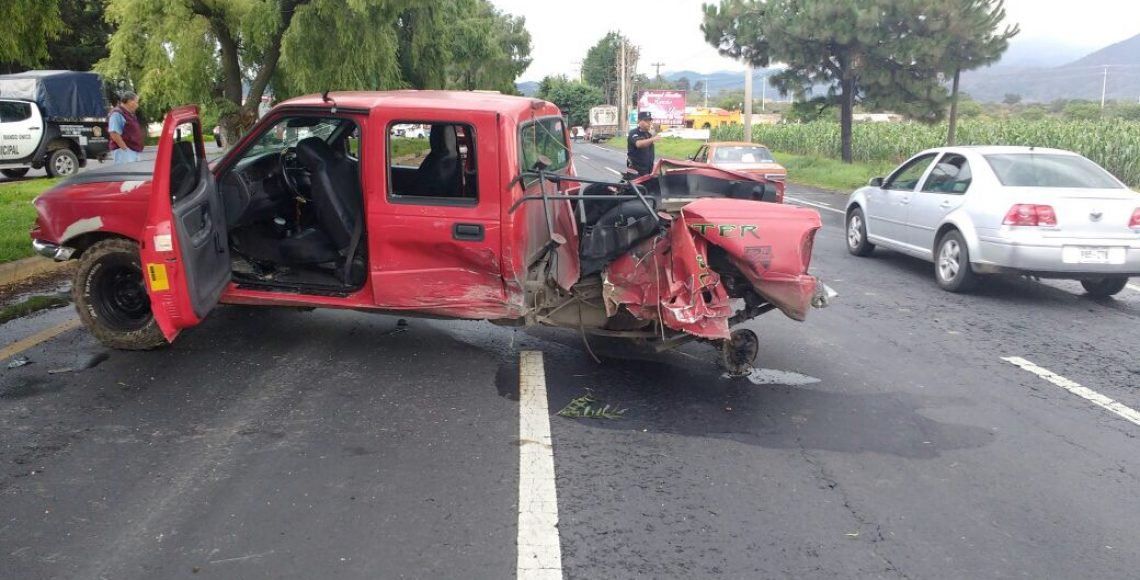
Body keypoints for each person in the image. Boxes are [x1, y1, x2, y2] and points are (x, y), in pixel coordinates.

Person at [108, 92, 144, 164]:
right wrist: (125, 149)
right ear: (130, 102)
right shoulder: (117, 113)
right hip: (124, 152)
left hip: (132, 150)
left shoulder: (129, 114)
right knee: (127, 171)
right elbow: (114, 133)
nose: (137, 105)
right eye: (136, 102)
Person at [626, 111, 662, 176]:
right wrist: (653, 139)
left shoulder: (648, 134)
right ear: (639, 121)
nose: (648, 123)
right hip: (635, 170)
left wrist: (656, 131)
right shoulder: (634, 132)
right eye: (645, 120)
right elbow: (639, 144)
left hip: (648, 169)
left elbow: (657, 130)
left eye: (649, 120)